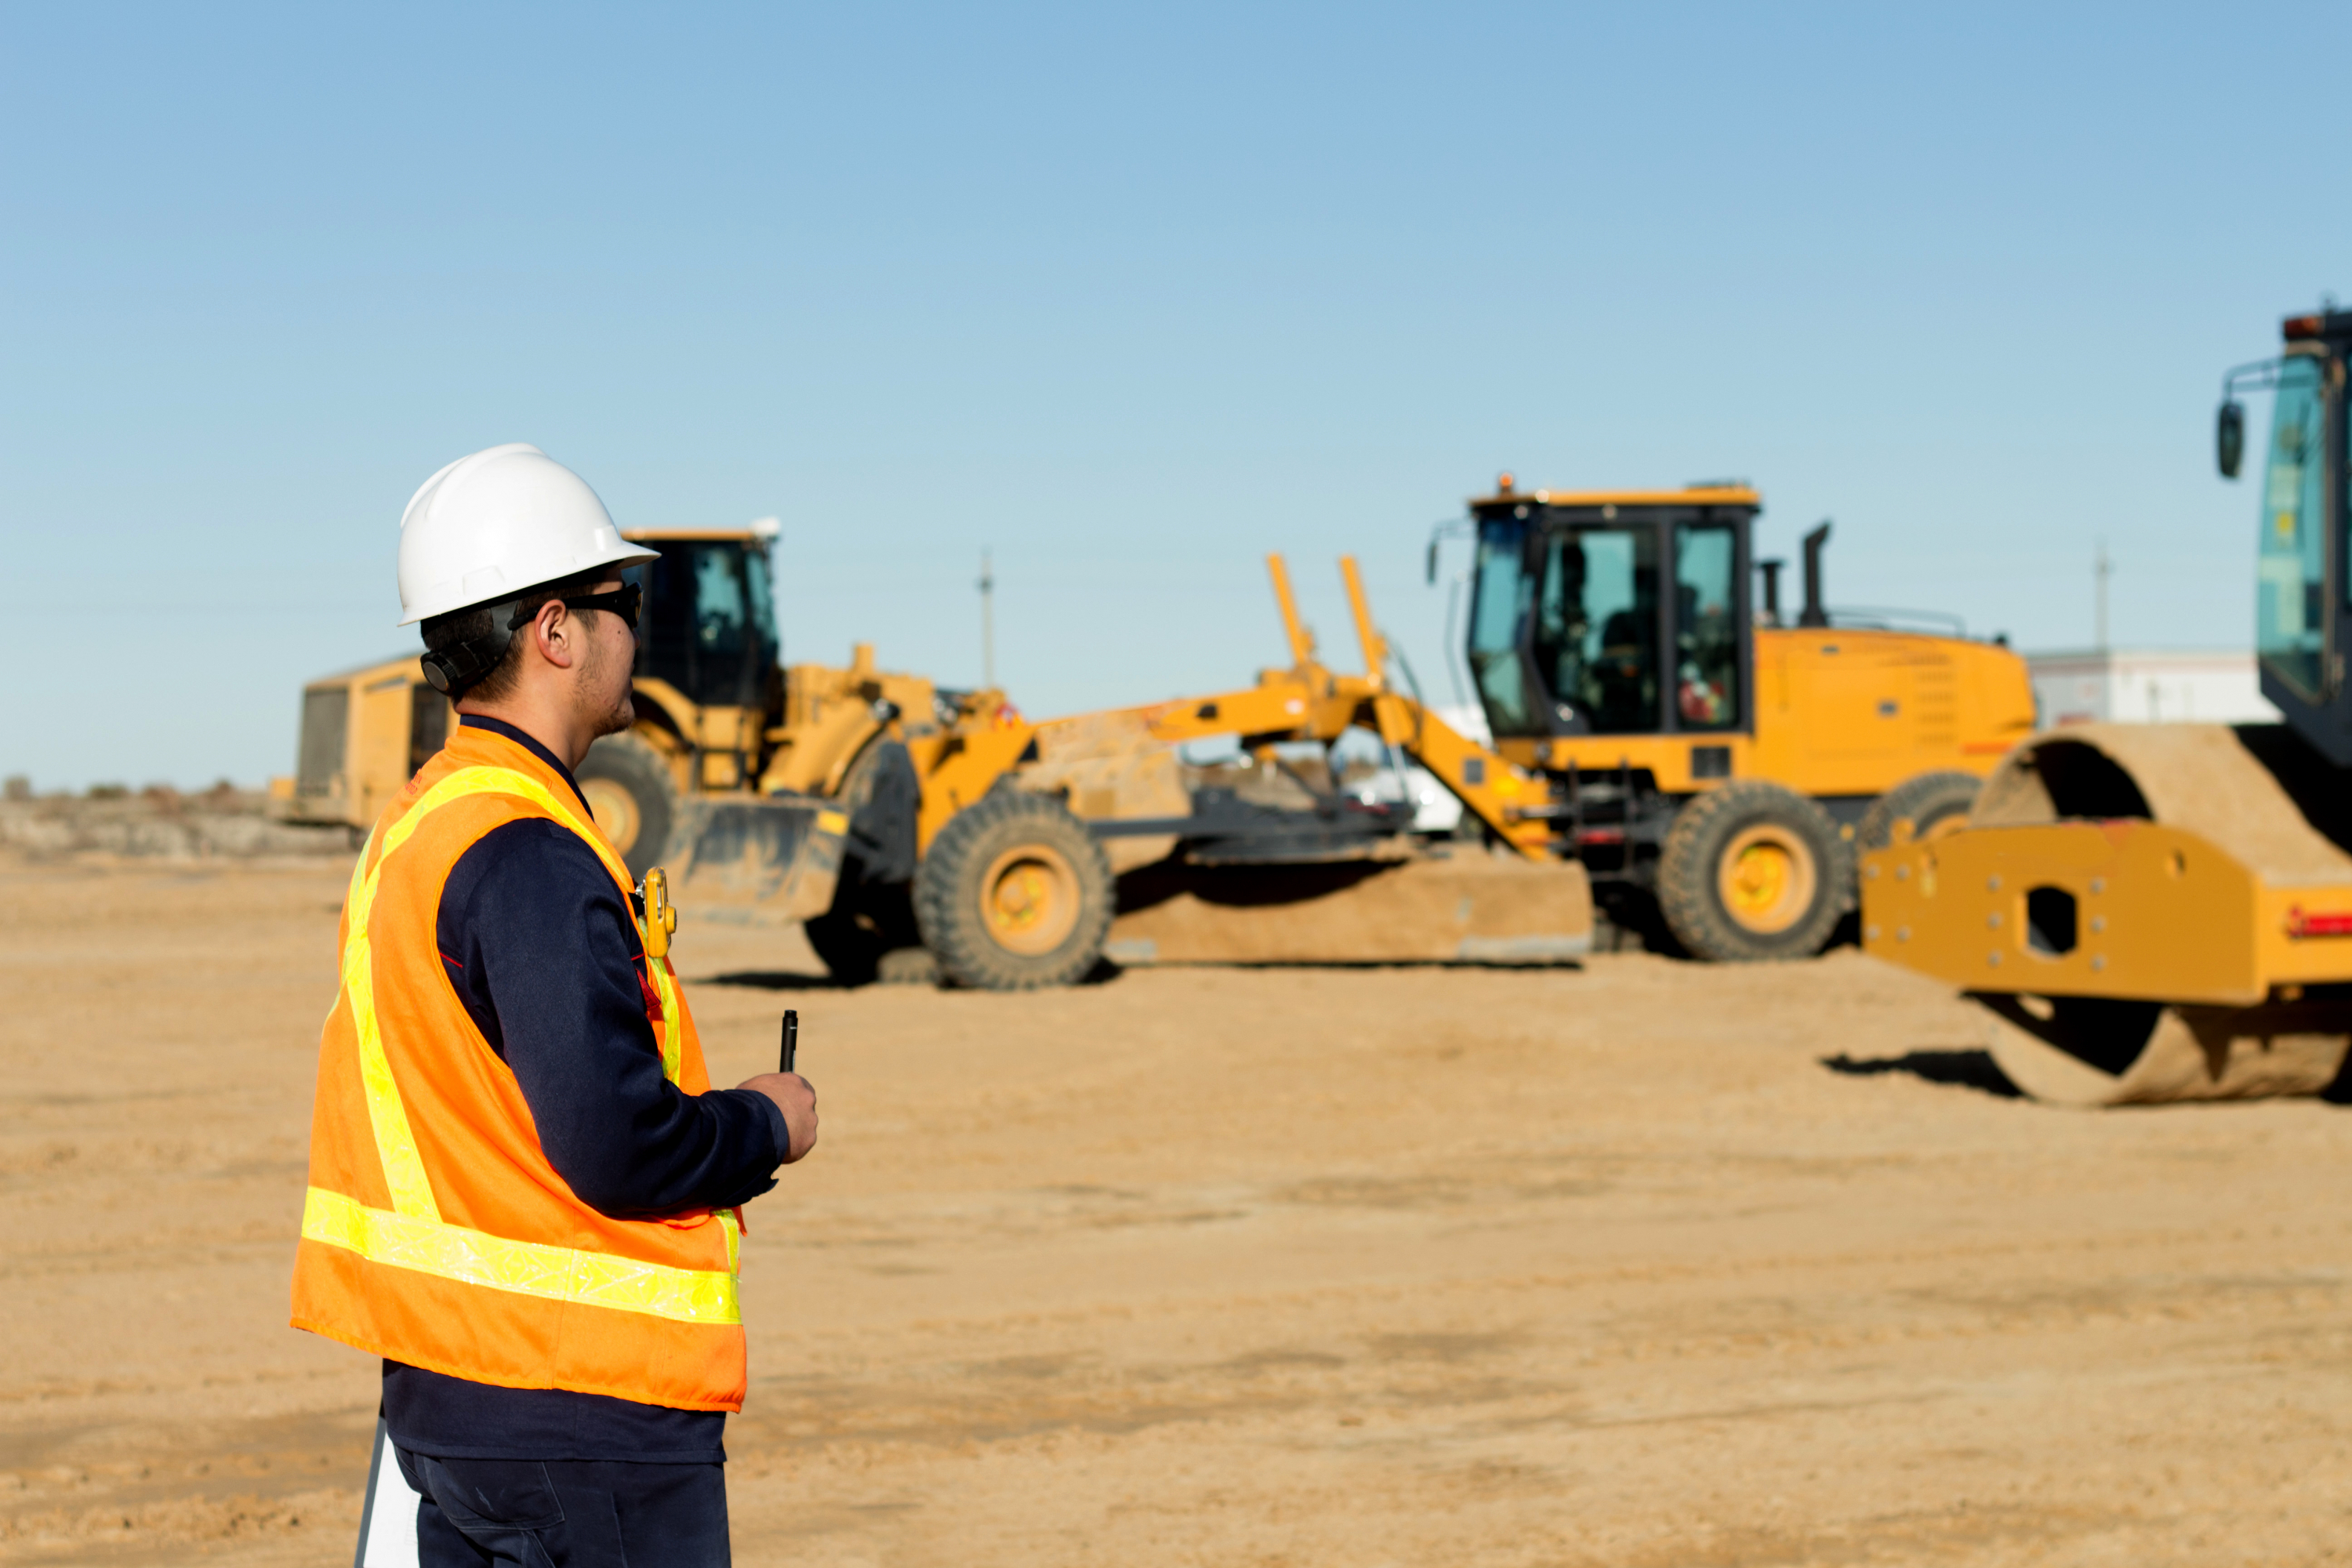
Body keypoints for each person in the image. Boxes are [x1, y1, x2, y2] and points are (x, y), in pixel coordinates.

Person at [289, 443, 817, 1566]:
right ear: (556, 632)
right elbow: (614, 1145)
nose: (638, 629)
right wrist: (769, 1121)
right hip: (580, 1414)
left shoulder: (425, 825)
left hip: (458, 1396)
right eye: (624, 600)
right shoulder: (527, 851)